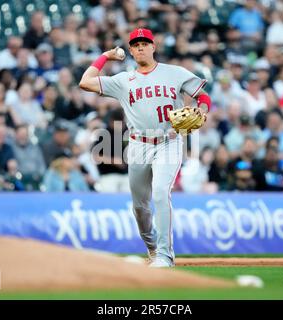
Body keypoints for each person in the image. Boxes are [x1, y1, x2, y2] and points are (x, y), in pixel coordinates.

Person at [79, 28, 211, 268]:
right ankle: (152, 247)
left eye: (144, 43)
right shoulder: (123, 81)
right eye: (136, 44)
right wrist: (106, 57)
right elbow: (85, 82)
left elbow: (203, 97)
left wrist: (202, 110)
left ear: (153, 46)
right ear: (130, 50)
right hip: (138, 144)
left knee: (160, 192)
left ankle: (164, 254)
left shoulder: (175, 73)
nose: (140, 47)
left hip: (168, 142)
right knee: (140, 206)